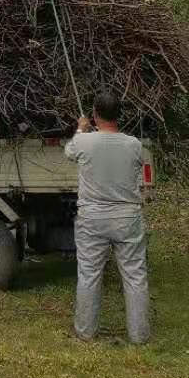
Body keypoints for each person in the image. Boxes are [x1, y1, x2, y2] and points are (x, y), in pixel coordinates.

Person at [64, 92, 150, 345]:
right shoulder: (134, 144)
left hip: (92, 217)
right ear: (119, 115)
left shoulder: (83, 141)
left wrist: (81, 129)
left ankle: (86, 332)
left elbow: (69, 152)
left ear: (94, 115)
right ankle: (139, 336)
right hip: (127, 217)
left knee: (89, 274)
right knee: (135, 276)